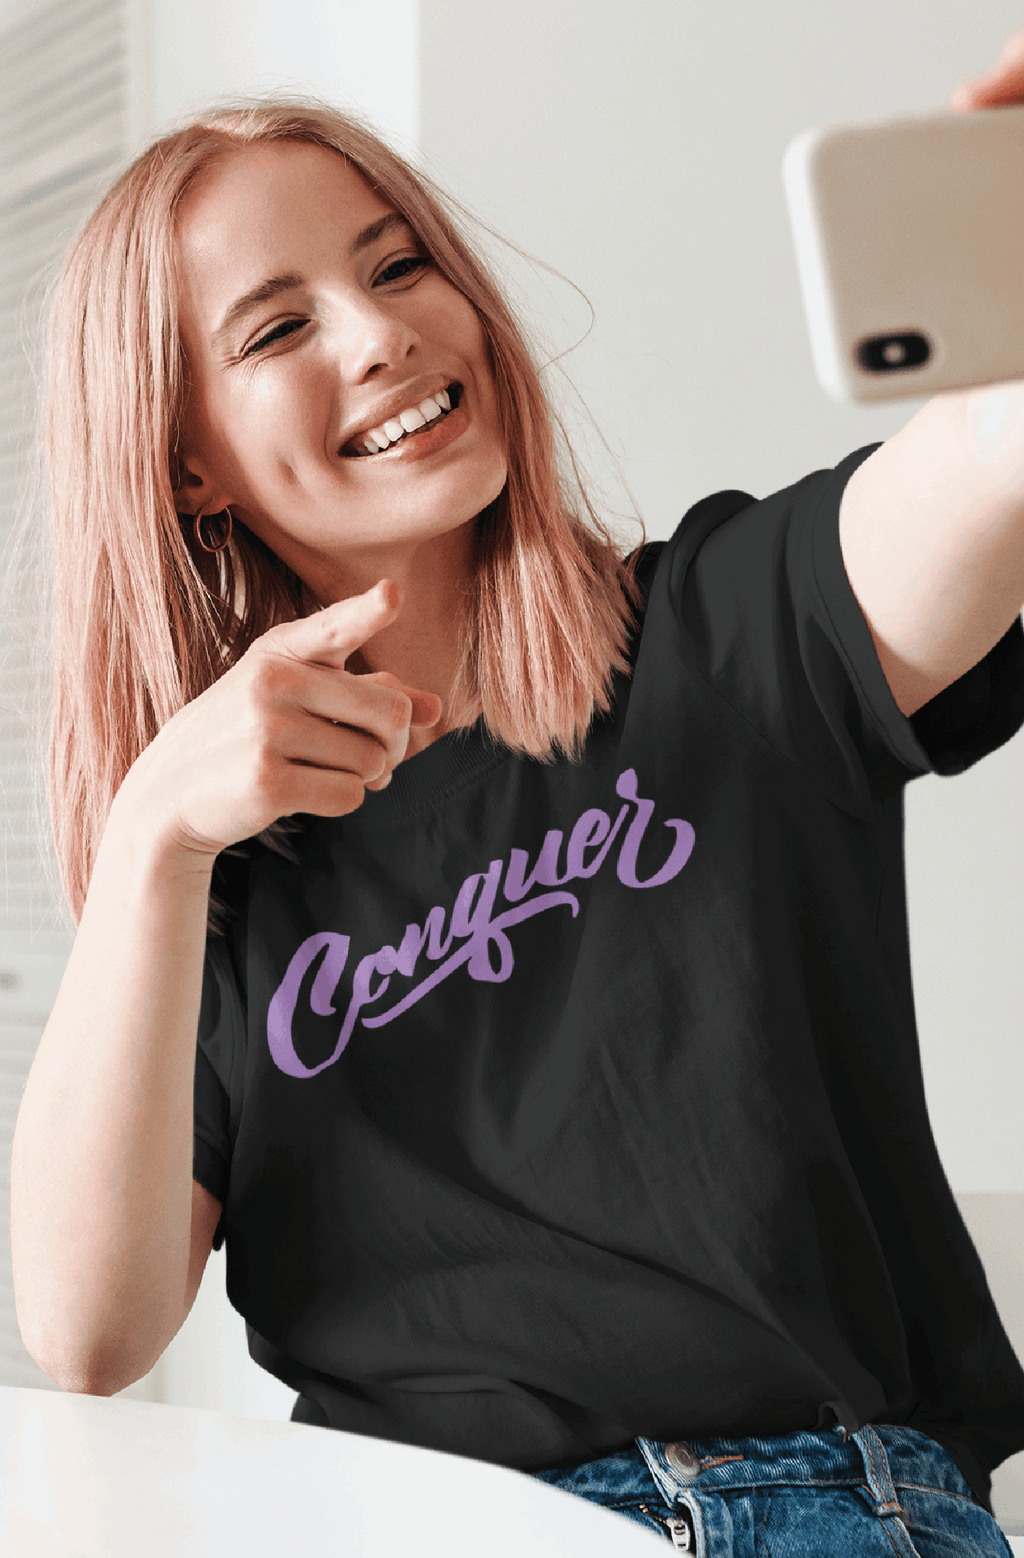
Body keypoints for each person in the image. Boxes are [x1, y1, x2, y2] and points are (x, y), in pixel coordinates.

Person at [10, 28, 1024, 1558]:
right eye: (278, 329)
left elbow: (990, 457)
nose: (380, 335)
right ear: (186, 463)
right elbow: (88, 1336)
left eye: (401, 264)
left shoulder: (726, 632)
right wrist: (153, 833)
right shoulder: (223, 882)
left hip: (820, 1510)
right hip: (411, 1527)